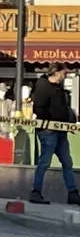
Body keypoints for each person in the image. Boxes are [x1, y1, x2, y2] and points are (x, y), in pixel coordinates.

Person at [28, 63, 79, 205]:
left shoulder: (59, 89)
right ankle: (36, 192)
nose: (65, 76)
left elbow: (63, 108)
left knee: (67, 162)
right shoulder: (42, 86)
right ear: (57, 73)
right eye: (64, 73)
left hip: (60, 131)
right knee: (44, 162)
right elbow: (39, 108)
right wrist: (49, 124)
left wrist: (69, 120)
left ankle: (73, 193)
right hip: (48, 131)